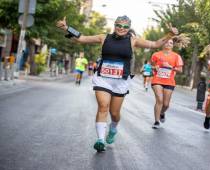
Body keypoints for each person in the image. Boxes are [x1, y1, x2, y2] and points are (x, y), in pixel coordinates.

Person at [56, 16, 178, 152]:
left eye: (125, 27)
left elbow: (155, 44)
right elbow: (82, 38)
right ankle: (100, 140)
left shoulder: (133, 40)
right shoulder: (103, 37)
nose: (121, 28)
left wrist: (170, 35)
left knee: (114, 113)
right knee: (103, 106)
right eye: (119, 25)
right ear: (115, 25)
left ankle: (113, 129)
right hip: (103, 78)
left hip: (121, 81)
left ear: (128, 28)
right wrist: (67, 28)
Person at [150, 39, 184, 129]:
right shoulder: (156, 55)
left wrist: (171, 67)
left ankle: (162, 113)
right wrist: (155, 67)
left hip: (169, 81)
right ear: (163, 43)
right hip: (157, 80)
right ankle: (156, 121)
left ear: (173, 45)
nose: (168, 44)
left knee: (166, 104)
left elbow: (180, 70)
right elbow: (151, 66)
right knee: (159, 100)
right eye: (166, 42)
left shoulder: (176, 56)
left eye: (171, 43)